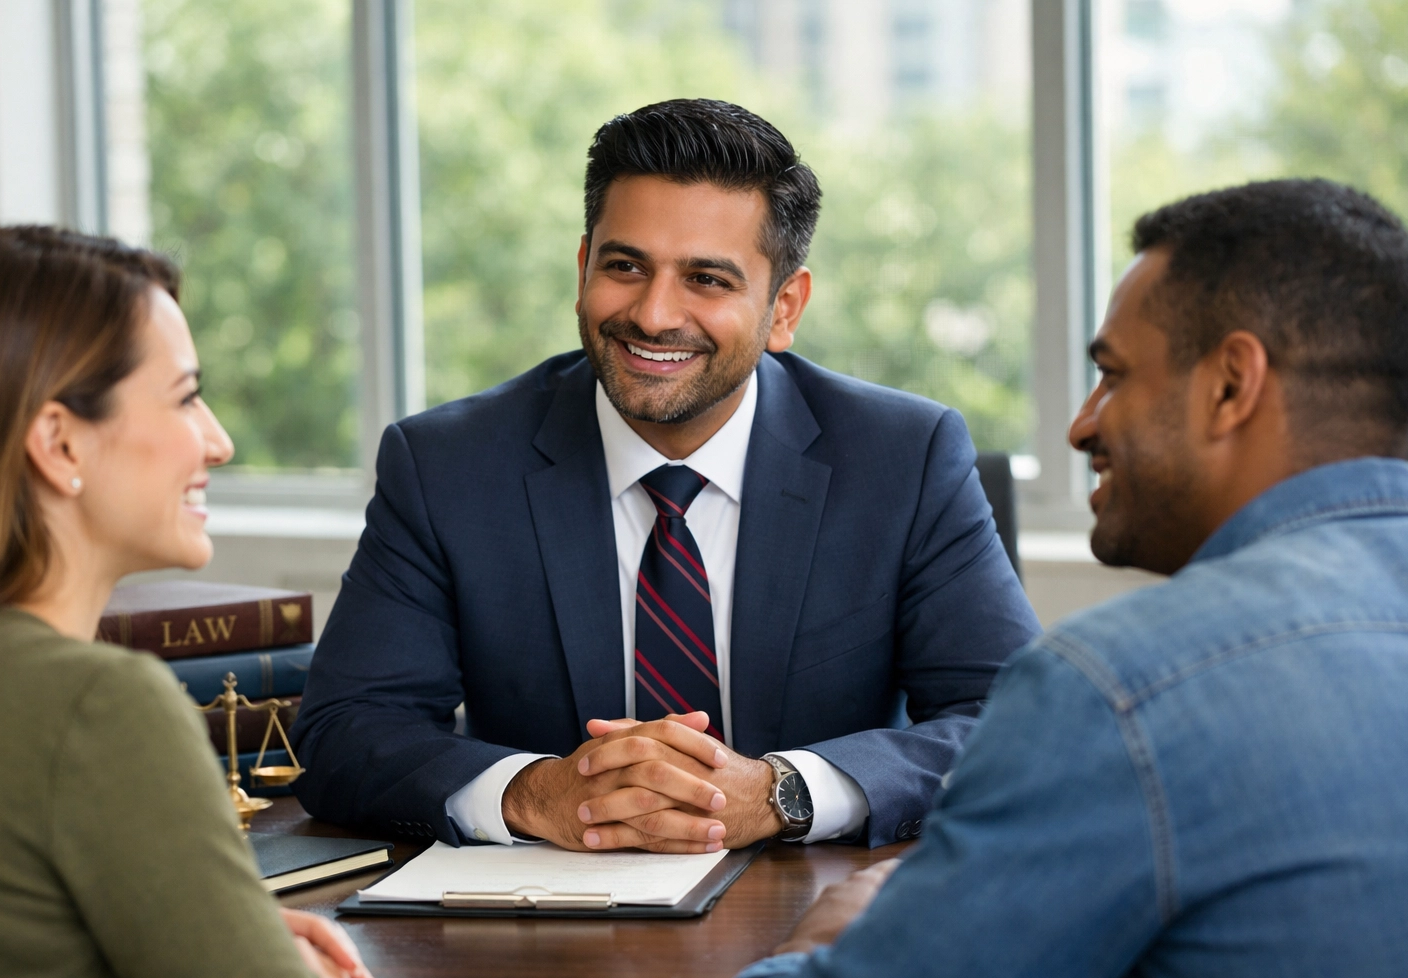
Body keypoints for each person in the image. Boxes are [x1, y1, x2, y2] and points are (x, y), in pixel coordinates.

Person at [707, 178, 1408, 978]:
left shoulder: (1119, 691)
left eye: (1113, 375)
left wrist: (821, 942)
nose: (1082, 425)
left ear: (1230, 387)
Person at [291, 98, 1040, 854]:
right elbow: (346, 732)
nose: (652, 315)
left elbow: (1019, 724)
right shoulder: (448, 467)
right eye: (625, 267)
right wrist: (536, 793)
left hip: (821, 923)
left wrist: (788, 792)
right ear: (583, 269)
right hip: (541, 929)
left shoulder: (904, 459)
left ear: (784, 308)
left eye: (707, 280)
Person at [0, 225, 383, 978]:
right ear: (59, 442)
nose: (219, 442)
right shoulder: (96, 708)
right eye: (185, 396)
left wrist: (217, 932)